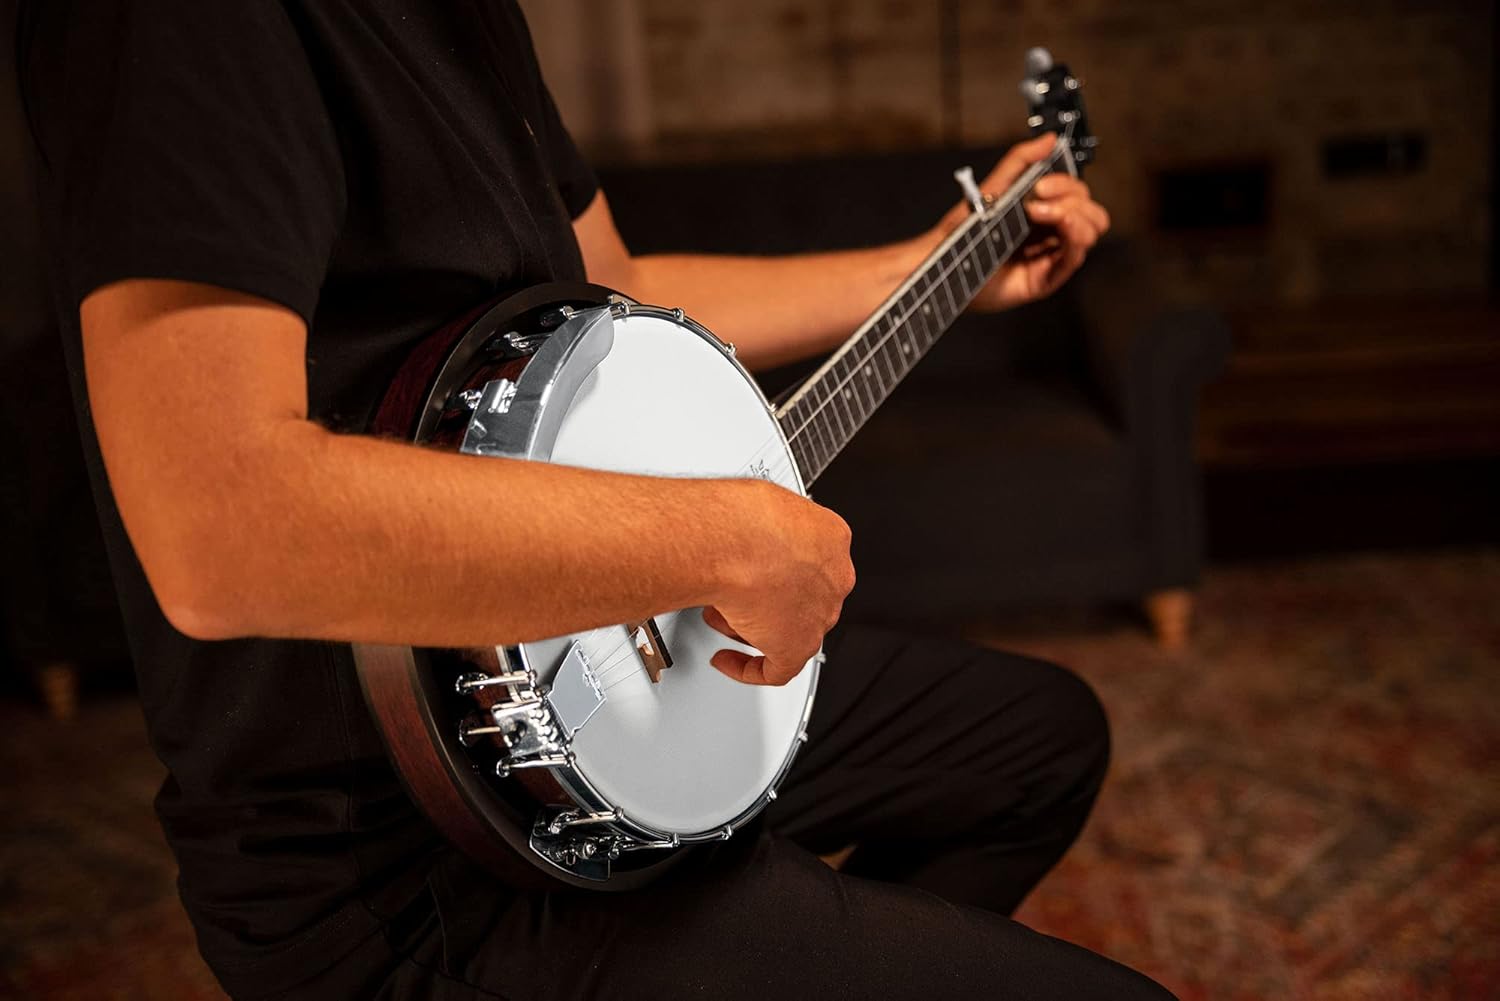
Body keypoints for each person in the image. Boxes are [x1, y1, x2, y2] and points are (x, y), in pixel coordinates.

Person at [20, 2, 1173, 998]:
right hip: (398, 855)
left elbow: (617, 287)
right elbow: (220, 525)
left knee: (1037, 745)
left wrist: (940, 263)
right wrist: (717, 540)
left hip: (600, 700)